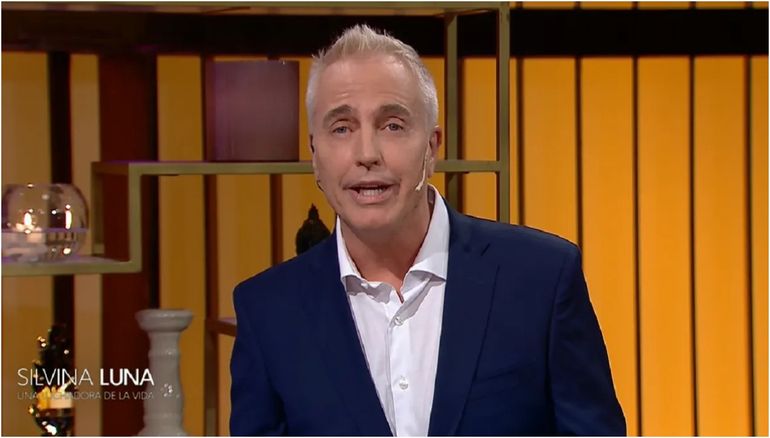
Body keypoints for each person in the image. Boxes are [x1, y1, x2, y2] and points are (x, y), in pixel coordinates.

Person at [230, 24, 625, 436]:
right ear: (315, 155)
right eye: (342, 128)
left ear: (432, 148)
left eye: (392, 125)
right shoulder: (269, 312)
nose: (367, 154)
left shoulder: (540, 279)